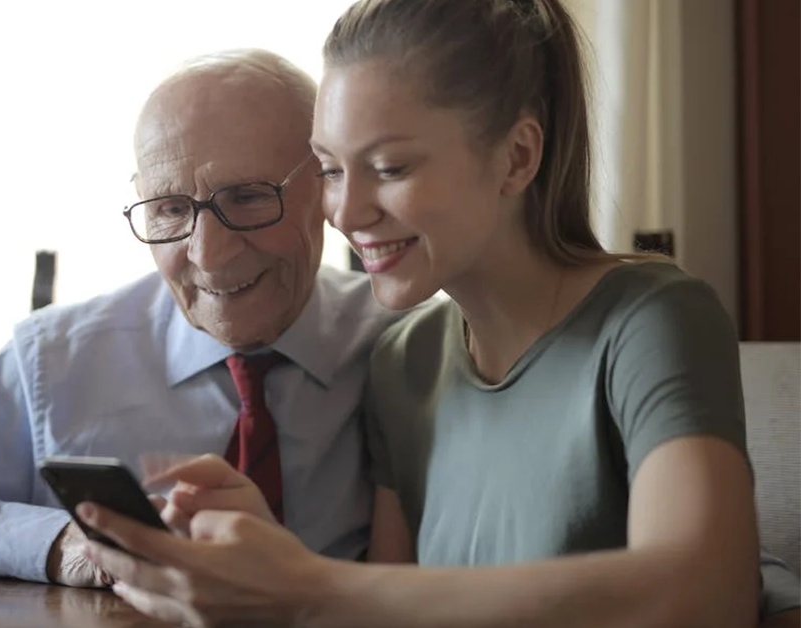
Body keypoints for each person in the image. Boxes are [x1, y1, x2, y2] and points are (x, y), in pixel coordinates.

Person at [79, 0, 801, 626]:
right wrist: (269, 560)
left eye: (389, 168)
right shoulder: (405, 359)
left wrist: (306, 586)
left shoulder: (652, 320)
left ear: (517, 157)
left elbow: (705, 599)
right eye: (330, 168)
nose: (345, 212)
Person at [0, 48, 400, 587]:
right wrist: (56, 543)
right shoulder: (59, 360)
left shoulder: (408, 346)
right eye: (170, 209)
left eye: (247, 197)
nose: (207, 254)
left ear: (327, 186)